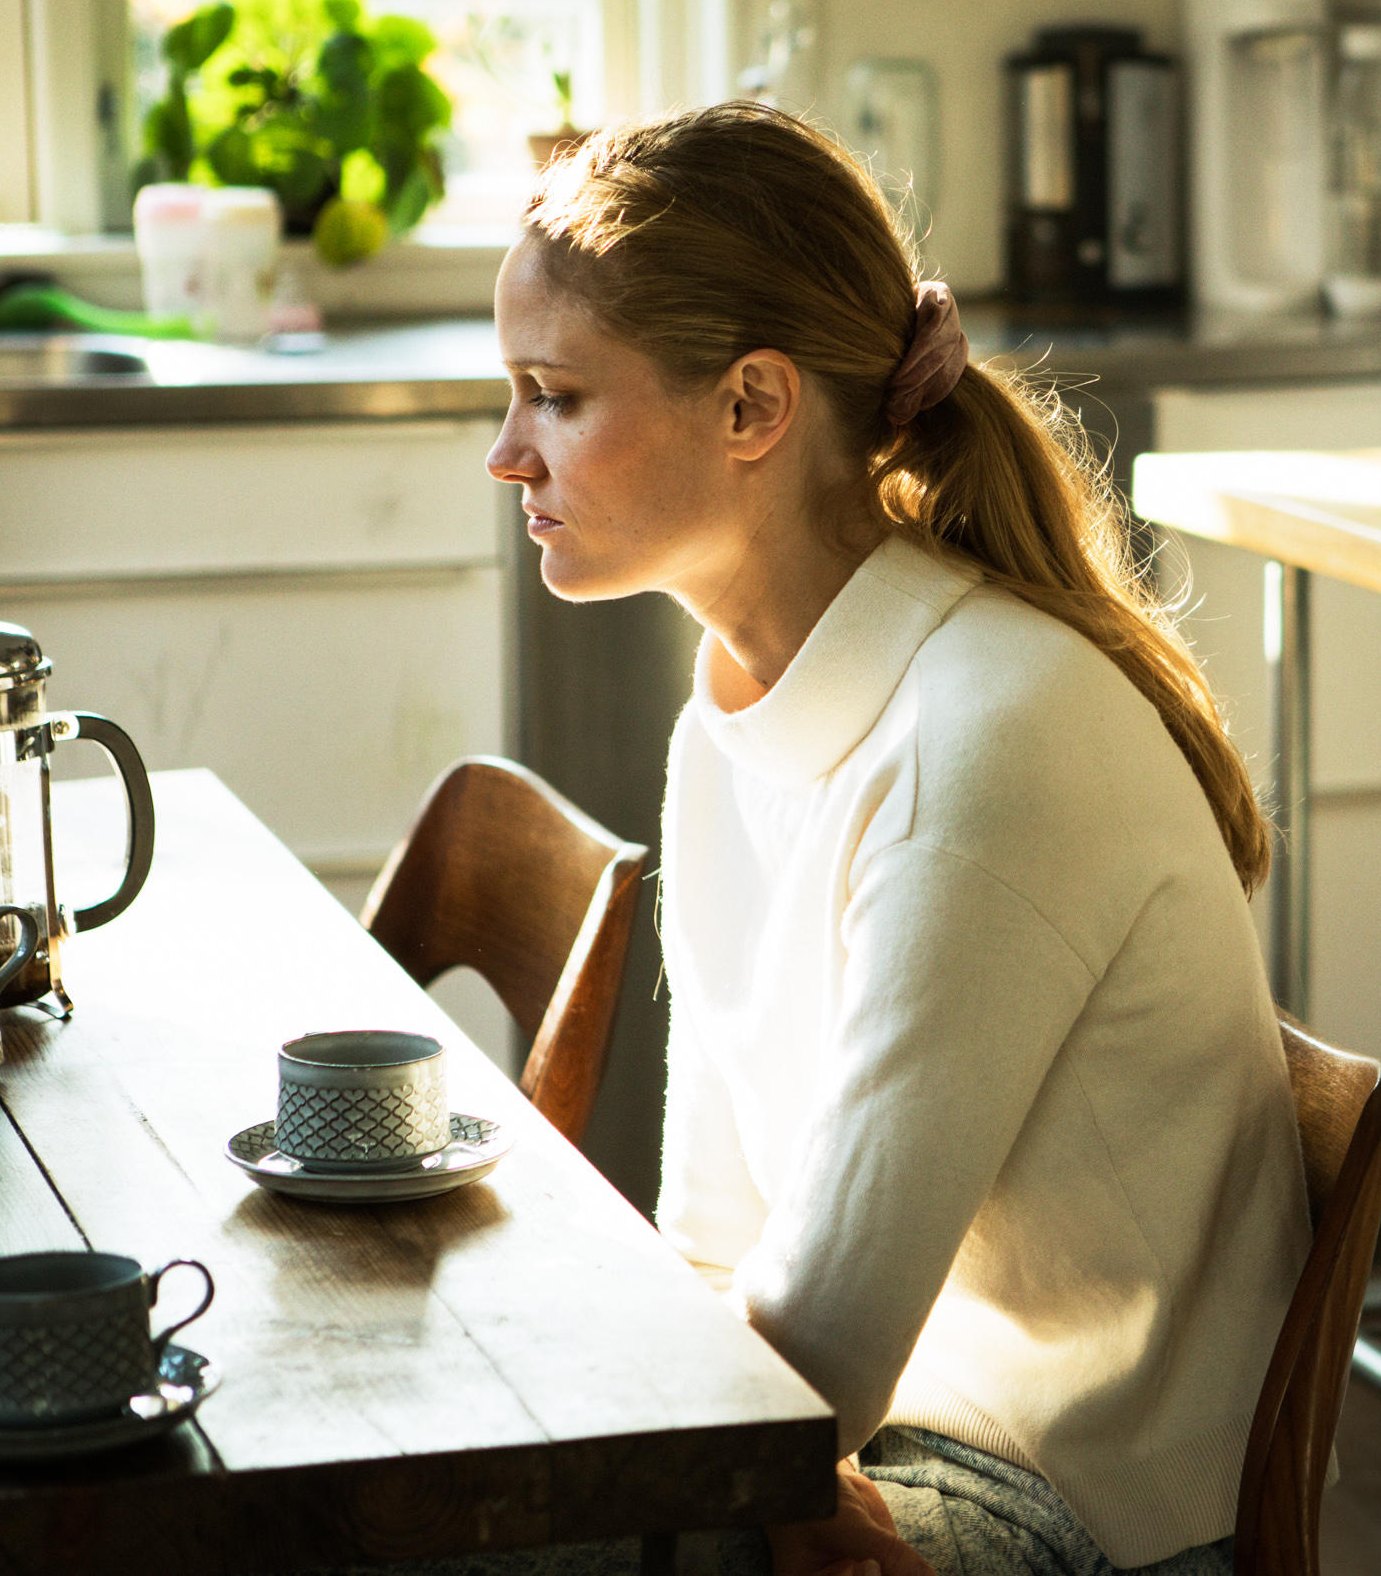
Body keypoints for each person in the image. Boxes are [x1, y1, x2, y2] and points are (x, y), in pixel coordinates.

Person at [464, 101, 1310, 1576]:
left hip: (1063, 1502)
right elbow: (716, 1247)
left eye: (556, 397)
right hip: (865, 1433)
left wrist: (752, 1451)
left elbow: (814, 1362)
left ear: (751, 407)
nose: (507, 455)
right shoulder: (730, 714)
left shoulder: (987, 739)